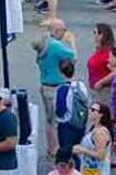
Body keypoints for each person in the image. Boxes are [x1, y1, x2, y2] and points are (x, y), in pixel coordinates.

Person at [35, 21, 78, 157]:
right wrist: (72, 42)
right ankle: (56, 148)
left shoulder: (45, 43)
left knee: (49, 120)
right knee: (58, 120)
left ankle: (51, 147)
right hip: (55, 86)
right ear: (57, 30)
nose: (65, 33)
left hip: (45, 84)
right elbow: (73, 56)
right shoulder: (56, 46)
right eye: (63, 30)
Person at [55, 59, 91, 156]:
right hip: (80, 123)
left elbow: (60, 110)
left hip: (67, 124)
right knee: (77, 151)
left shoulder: (62, 89)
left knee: (67, 152)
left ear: (60, 73)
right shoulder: (81, 85)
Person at [88, 24, 116, 106]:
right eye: (95, 33)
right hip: (95, 89)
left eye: (98, 33)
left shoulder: (108, 53)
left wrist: (101, 82)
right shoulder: (99, 50)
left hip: (105, 91)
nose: (95, 36)